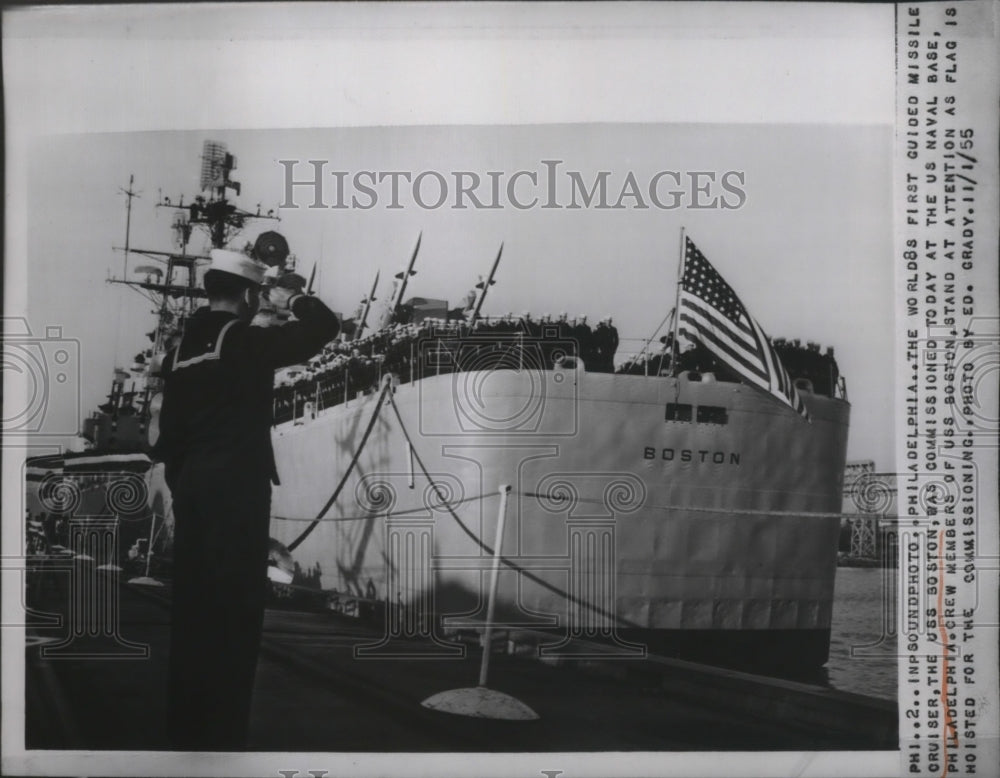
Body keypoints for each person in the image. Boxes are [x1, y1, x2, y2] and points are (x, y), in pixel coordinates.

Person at [153, 248, 339, 750]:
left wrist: (188, 486)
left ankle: (185, 730)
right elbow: (324, 327)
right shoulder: (243, 341)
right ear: (253, 294)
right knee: (234, 614)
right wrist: (292, 298)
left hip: (192, 487)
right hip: (236, 487)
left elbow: (168, 439)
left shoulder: (181, 352)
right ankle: (223, 734)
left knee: (193, 613)